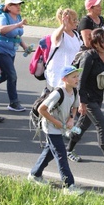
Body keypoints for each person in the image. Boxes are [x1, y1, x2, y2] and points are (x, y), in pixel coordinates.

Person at [66, 29, 104, 172]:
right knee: (102, 125)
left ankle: (68, 150)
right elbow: (81, 82)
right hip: (88, 98)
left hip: (98, 96)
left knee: (82, 125)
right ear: (95, 44)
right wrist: (82, 103)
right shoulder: (89, 57)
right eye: (103, 40)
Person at [28, 65, 84, 194]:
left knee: (49, 152)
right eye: (74, 77)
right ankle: (68, 186)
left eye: (77, 76)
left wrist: (71, 118)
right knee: (61, 155)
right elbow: (41, 109)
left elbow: (75, 107)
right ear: (65, 79)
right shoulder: (58, 93)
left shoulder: (74, 91)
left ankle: (35, 174)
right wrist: (56, 122)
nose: (77, 79)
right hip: (51, 127)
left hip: (60, 127)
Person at [45, 8, 82, 89]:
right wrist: (63, 25)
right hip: (58, 75)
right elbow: (56, 39)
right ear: (66, 21)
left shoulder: (76, 34)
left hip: (71, 74)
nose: (77, 22)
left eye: (77, 19)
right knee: (58, 99)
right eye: (74, 20)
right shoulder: (59, 33)